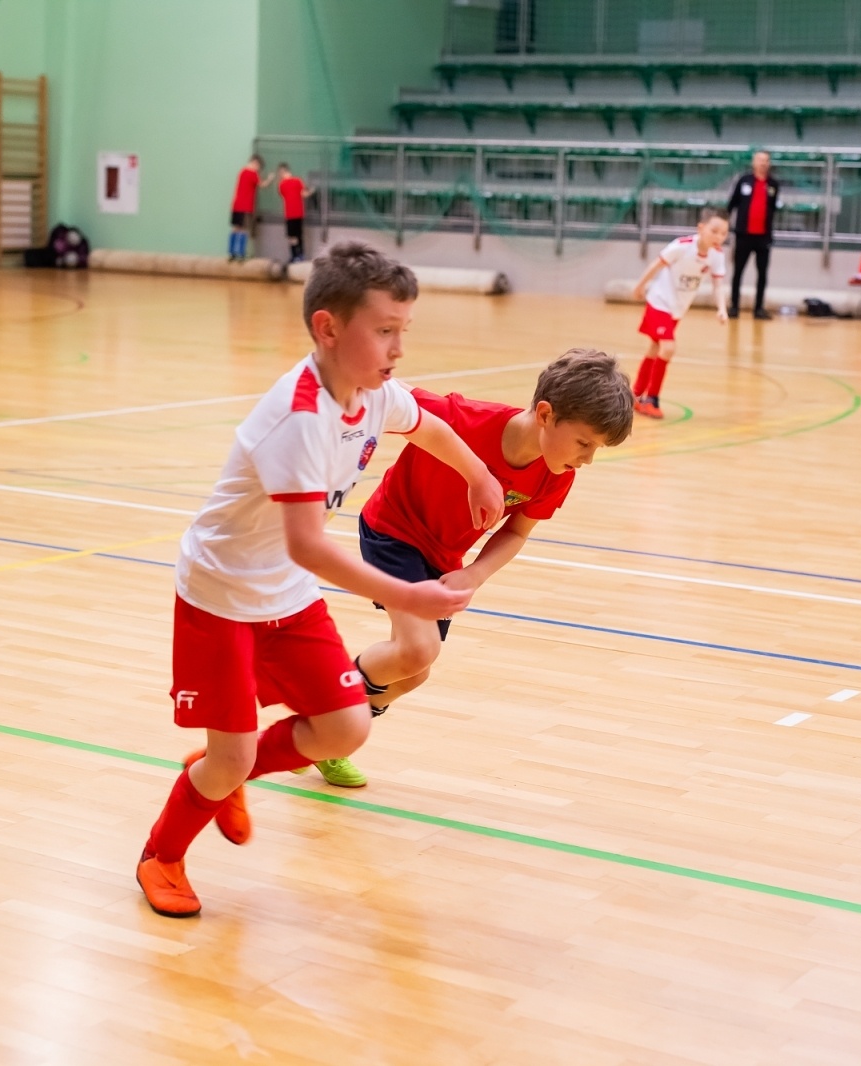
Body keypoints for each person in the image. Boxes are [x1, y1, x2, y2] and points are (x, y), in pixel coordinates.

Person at [135, 242, 505, 919]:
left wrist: (479, 473)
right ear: (328, 329)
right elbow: (308, 546)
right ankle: (163, 853)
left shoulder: (372, 394)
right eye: (384, 330)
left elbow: (428, 427)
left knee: (343, 729)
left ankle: (228, 769)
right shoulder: (299, 417)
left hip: (284, 593)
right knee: (226, 758)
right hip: (221, 596)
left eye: (403, 331)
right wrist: (407, 595)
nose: (398, 348)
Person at [295, 349, 634, 788]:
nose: (587, 459)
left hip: (443, 560)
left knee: (413, 673)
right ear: (546, 415)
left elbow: (514, 533)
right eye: (584, 443)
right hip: (394, 530)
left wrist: (474, 574)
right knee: (418, 650)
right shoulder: (461, 418)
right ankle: (321, 711)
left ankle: (324, 735)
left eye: (597, 449)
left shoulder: (557, 474)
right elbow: (385, 394)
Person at [630, 213, 729, 420]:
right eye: (714, 231)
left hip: (677, 308)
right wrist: (640, 287)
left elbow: (718, 284)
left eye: (723, 233)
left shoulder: (717, 255)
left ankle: (636, 395)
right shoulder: (682, 246)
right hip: (660, 302)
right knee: (668, 347)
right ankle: (652, 400)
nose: (718, 236)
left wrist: (721, 308)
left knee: (655, 347)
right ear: (701, 228)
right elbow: (656, 265)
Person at [725, 150, 782, 320]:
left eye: (766, 160)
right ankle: (734, 306)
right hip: (743, 235)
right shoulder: (744, 181)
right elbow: (732, 203)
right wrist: (725, 224)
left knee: (762, 274)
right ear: (754, 162)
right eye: (760, 160)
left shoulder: (773, 184)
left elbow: (772, 207)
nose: (763, 163)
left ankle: (759, 308)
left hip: (763, 237)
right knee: (738, 271)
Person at [228, 154, 270, 262]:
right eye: (259, 167)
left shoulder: (242, 172)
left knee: (236, 228)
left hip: (236, 205)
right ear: (255, 163)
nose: (258, 169)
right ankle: (241, 253)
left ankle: (232, 253)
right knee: (244, 229)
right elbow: (262, 185)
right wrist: (269, 179)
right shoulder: (253, 173)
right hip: (246, 206)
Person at [276, 164, 311, 264]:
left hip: (291, 213)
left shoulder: (282, 184)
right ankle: (300, 255)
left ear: (282, 172)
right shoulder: (297, 181)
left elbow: (283, 195)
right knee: (298, 235)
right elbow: (304, 194)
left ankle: (296, 255)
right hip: (297, 213)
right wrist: (310, 192)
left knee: (293, 236)